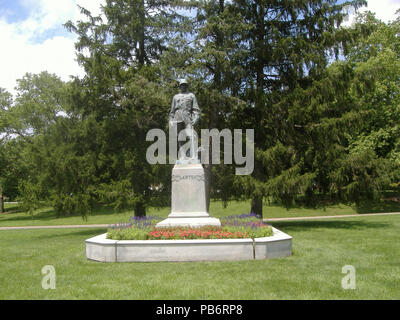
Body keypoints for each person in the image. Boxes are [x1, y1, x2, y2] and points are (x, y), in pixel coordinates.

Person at [169, 79, 200, 160]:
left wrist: (196, 117)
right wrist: (171, 120)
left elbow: (196, 109)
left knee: (191, 135)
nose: (183, 86)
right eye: (182, 85)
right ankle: (183, 155)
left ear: (187, 86)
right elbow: (172, 112)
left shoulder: (191, 95)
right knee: (180, 137)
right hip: (177, 117)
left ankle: (193, 155)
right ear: (180, 86)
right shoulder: (175, 97)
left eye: (185, 85)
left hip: (187, 116)